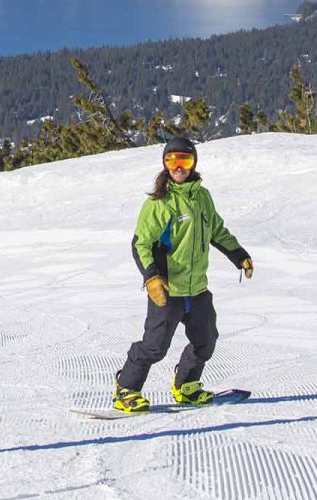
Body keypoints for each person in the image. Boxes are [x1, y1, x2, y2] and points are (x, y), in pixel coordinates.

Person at [113, 137, 253, 413]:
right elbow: (140, 244)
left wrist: (238, 255)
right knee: (155, 347)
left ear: (194, 163)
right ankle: (126, 387)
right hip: (168, 289)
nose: (178, 167)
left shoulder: (202, 197)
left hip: (197, 287)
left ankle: (186, 385)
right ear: (165, 165)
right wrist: (152, 278)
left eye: (185, 160)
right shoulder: (160, 203)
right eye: (172, 160)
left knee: (206, 341)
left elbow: (216, 231)